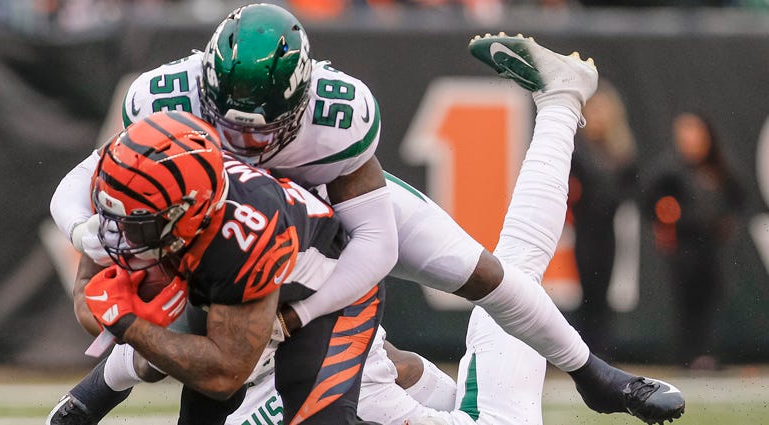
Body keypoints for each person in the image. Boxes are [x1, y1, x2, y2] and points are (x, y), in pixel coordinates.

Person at [48, 4, 684, 423]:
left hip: (327, 224)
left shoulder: (335, 121)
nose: (244, 145)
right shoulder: (164, 107)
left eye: (263, 126)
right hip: (266, 243)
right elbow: (88, 189)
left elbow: (373, 250)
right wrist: (92, 243)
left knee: (490, 276)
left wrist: (293, 316)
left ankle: (592, 371)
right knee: (358, 364)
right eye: (228, 126)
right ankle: (434, 387)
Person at [72, 110, 386, 424]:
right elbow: (88, 294)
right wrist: (109, 314)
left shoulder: (244, 240)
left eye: (137, 224)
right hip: (233, 286)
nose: (119, 234)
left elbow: (224, 375)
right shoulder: (147, 192)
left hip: (330, 295)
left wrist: (126, 323)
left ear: (185, 212)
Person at [644, 111, 743, 370]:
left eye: (694, 132)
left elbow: (737, 197)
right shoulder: (668, 169)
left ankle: (705, 354)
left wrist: (726, 221)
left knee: (710, 297)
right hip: (683, 245)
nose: (689, 138)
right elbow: (650, 201)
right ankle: (687, 355)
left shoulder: (717, 166)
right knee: (686, 298)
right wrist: (667, 217)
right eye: (684, 133)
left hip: (710, 246)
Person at [568, 79, 638, 358]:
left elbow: (630, 188)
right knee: (587, 291)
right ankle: (581, 351)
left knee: (603, 291)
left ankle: (601, 350)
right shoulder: (578, 149)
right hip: (585, 229)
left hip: (608, 230)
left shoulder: (620, 151)